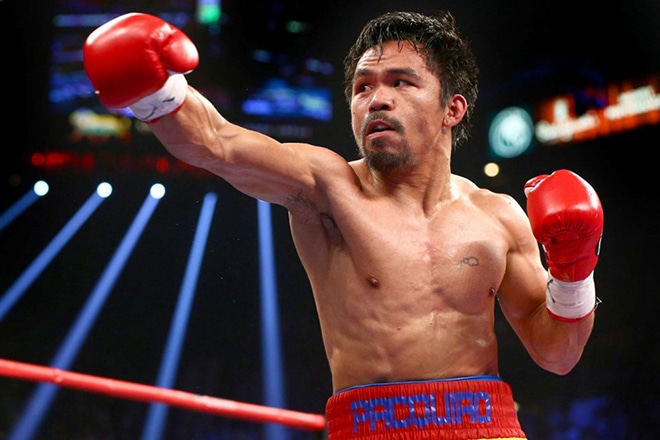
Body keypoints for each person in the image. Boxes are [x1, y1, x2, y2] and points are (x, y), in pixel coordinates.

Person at [83, 10, 604, 439]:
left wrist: (575, 270)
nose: (377, 99)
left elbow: (557, 354)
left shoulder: (499, 215)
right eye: (362, 87)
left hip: (488, 428)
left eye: (401, 82)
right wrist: (158, 92)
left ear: (453, 109)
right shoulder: (327, 188)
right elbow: (217, 143)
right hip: (369, 428)